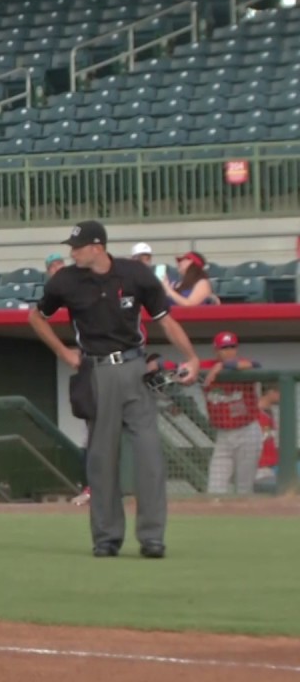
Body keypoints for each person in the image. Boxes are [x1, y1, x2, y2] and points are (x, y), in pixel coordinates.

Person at [28, 220, 200, 559]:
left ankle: (152, 537)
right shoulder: (65, 280)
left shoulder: (135, 275)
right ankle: (107, 538)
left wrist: (191, 357)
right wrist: (63, 353)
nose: (72, 252)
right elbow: (36, 316)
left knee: (150, 455)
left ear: (98, 246)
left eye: (77, 246)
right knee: (102, 459)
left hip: (135, 368)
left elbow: (165, 318)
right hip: (96, 370)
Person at [201, 331, 264, 495]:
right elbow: (188, 368)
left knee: (244, 488)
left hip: (247, 432)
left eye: (232, 347)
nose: (229, 351)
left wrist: (222, 366)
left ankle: (247, 520)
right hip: (223, 435)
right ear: (216, 350)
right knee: (214, 488)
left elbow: (256, 364)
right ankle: (215, 520)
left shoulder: (243, 366)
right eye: (224, 348)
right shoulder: (206, 367)